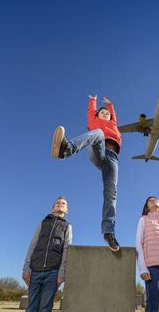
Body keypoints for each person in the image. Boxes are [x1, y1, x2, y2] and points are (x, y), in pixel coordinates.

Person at [51, 94, 121, 251]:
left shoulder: (113, 124)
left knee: (111, 193)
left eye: (107, 114)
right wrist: (93, 101)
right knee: (98, 133)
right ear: (97, 115)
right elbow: (91, 112)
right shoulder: (94, 121)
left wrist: (111, 106)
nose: (105, 114)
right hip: (98, 150)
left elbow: (114, 117)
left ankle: (109, 232)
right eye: (102, 113)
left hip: (113, 158)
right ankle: (65, 149)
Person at [22, 196, 72, 312]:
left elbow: (66, 250)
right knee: (31, 308)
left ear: (67, 210)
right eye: (58, 203)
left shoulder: (67, 227)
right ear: (52, 208)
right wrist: (26, 268)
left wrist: (61, 273)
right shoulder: (43, 223)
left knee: (45, 308)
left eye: (64, 203)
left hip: (53, 273)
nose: (61, 204)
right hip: (35, 272)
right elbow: (32, 245)